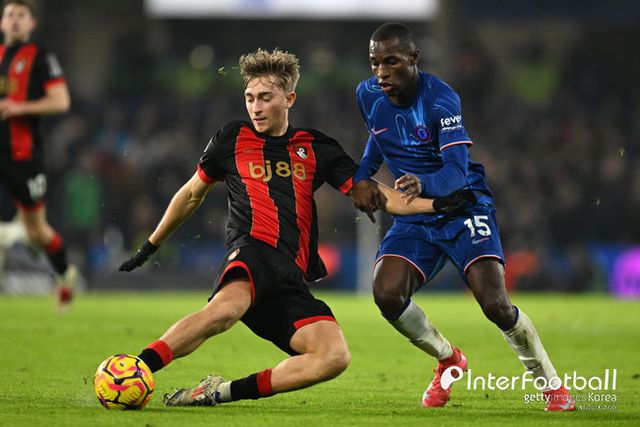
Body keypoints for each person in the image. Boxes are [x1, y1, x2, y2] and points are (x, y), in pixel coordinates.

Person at [118, 48, 469, 407]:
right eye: (250, 98)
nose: (255, 107)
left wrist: (436, 205)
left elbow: (378, 195)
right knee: (224, 312)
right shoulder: (232, 138)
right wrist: (150, 245)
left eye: (265, 98)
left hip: (289, 276)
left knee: (333, 356)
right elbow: (192, 193)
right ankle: (136, 367)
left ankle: (216, 393)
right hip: (252, 252)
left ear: (289, 99)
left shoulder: (317, 147)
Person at [351, 23, 575, 411]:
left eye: (392, 62)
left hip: (462, 206)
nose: (381, 72)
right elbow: (379, 136)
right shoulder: (367, 94)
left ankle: (552, 386)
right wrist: (361, 176)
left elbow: (456, 171)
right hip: (417, 215)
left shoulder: (441, 99)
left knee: (495, 304)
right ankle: (448, 359)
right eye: (375, 63)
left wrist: (422, 182)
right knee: (386, 293)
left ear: (414, 59)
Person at [0, 0, 76, 309]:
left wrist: (21, 107)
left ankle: (66, 275)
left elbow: (61, 101)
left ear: (31, 23)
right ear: (2, 22)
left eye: (21, 15)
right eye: (9, 15)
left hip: (24, 156)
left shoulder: (41, 57)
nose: (15, 20)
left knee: (36, 231)